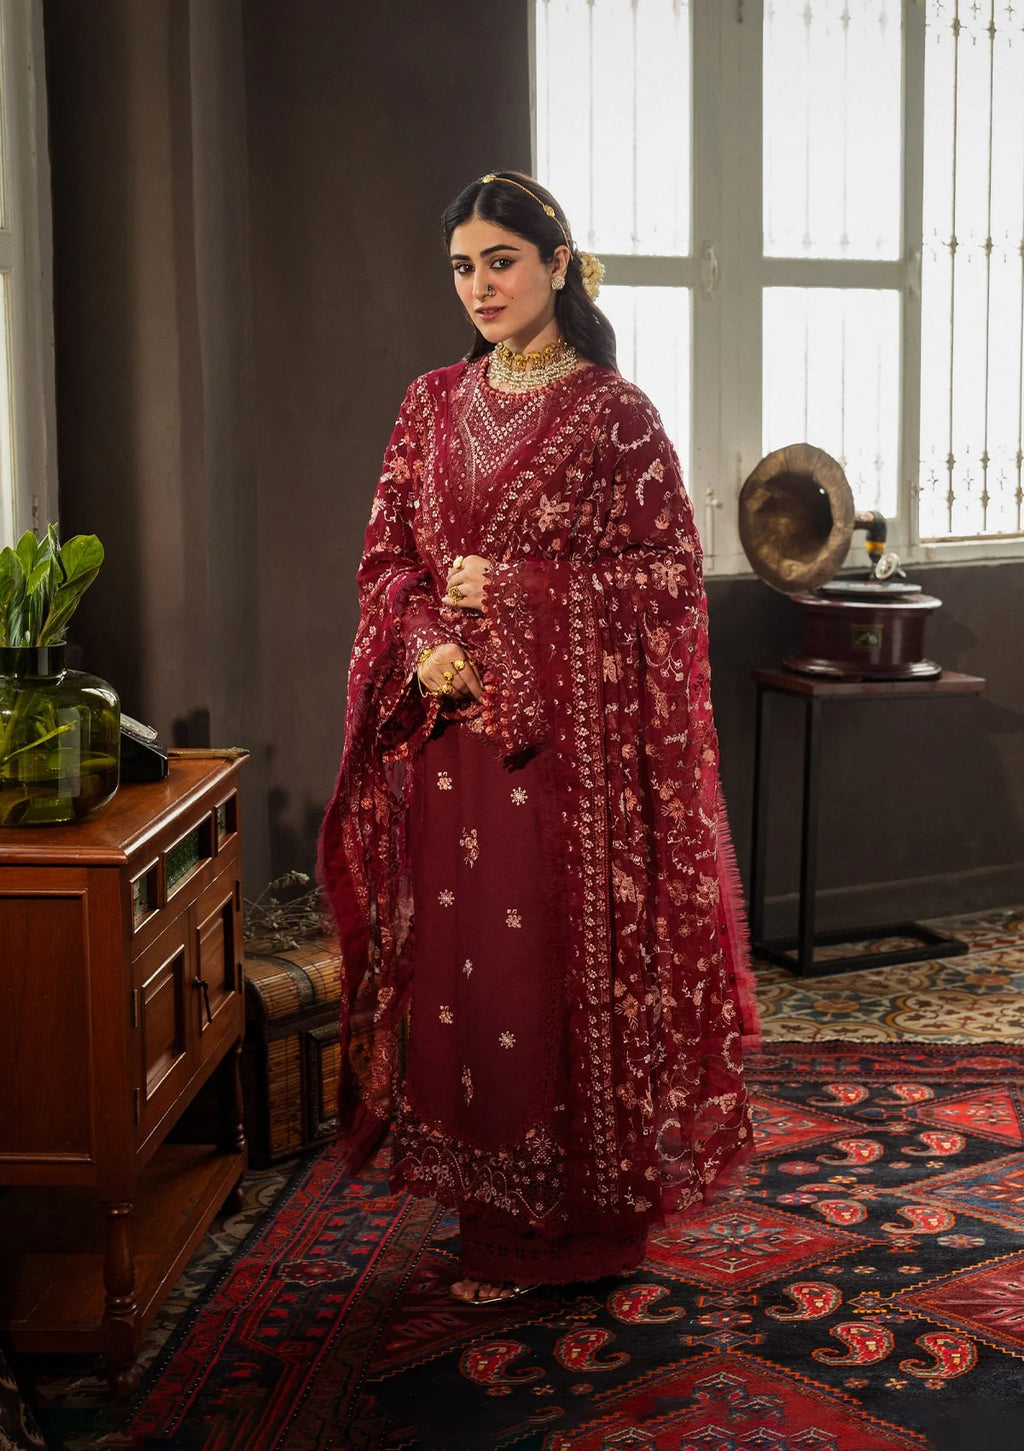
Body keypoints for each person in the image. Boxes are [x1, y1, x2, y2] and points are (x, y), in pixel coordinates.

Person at [319, 170, 760, 1306]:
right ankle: (494, 1216)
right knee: (472, 982)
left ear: (558, 264)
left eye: (500, 260)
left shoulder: (618, 417)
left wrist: (512, 595)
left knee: (552, 973)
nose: (480, 285)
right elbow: (388, 562)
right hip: (453, 744)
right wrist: (423, 639)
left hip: (572, 760)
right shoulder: (427, 403)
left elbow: (667, 583)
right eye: (463, 266)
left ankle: (582, 1223)